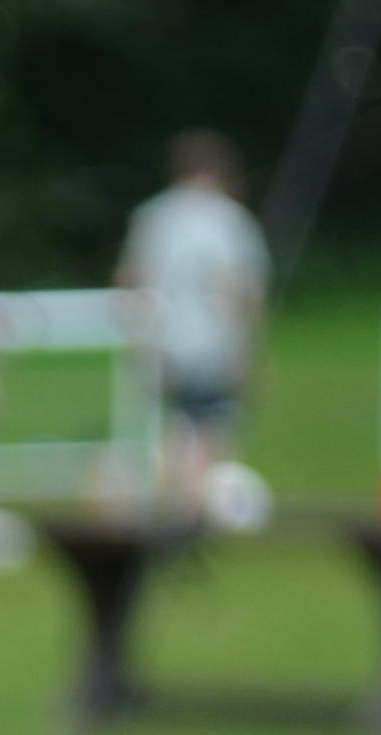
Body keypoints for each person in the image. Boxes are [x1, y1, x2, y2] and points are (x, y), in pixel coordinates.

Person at [120, 132, 269, 518]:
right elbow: (244, 291)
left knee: (170, 430)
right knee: (214, 430)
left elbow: (130, 281)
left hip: (162, 342)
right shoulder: (231, 220)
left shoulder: (153, 217)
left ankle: (169, 507)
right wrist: (249, 351)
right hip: (214, 344)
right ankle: (196, 512)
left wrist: (138, 341)